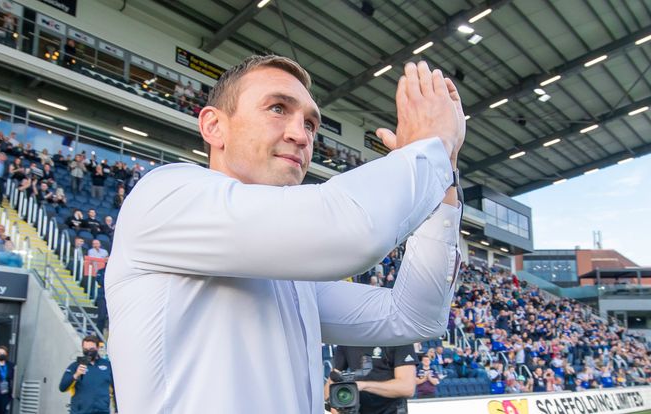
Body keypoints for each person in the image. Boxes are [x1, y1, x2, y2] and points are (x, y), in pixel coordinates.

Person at [105, 55, 465, 413]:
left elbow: (415, 317)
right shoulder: (166, 195)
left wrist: (444, 179)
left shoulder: (294, 279)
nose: (301, 135)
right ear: (214, 126)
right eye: (277, 108)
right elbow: (354, 231)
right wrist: (429, 147)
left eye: (310, 124)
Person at [327, 344, 418, 413]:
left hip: (392, 411)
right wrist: (336, 402)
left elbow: (407, 388)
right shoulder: (347, 340)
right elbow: (332, 381)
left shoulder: (398, 337)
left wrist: (363, 385)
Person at [59, 336, 116, 414]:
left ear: (98, 347)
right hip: (80, 411)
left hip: (102, 411)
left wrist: (116, 409)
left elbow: (115, 390)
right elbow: (62, 387)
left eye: (91, 349)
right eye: (85, 349)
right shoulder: (75, 366)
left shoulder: (107, 365)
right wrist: (76, 375)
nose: (89, 352)